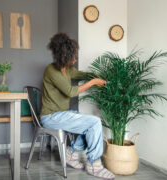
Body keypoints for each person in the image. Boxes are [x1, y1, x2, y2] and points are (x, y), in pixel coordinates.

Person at [40, 33, 115, 180]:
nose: (75, 59)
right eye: (72, 56)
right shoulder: (51, 70)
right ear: (64, 56)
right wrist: (93, 82)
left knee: (89, 122)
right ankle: (95, 165)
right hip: (50, 117)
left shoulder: (67, 69)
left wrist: (99, 76)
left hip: (62, 113)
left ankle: (72, 153)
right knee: (94, 123)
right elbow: (70, 92)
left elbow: (81, 75)